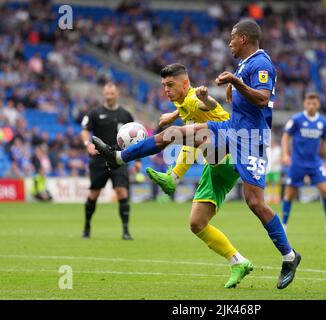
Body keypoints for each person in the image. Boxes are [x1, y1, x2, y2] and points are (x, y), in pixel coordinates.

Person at [93, 19, 301, 290]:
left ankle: (289, 256)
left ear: (245, 39)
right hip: (231, 130)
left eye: (232, 37)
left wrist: (235, 83)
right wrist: (233, 90)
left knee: (255, 203)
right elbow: (242, 103)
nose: (229, 42)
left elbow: (262, 99)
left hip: (251, 139)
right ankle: (119, 157)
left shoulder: (261, 63)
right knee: (180, 134)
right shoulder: (246, 64)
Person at [145, 63, 230, 195]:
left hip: (228, 151)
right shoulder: (181, 100)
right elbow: (186, 107)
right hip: (215, 155)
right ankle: (173, 178)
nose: (166, 89)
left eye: (170, 85)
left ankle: (173, 178)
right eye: (164, 85)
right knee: (199, 214)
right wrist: (173, 116)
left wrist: (206, 98)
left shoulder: (193, 98)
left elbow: (209, 105)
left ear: (184, 84)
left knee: (188, 134)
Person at [280, 93, 326, 235]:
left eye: (314, 103)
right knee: (290, 193)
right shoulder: (297, 119)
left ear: (318, 105)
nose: (311, 106)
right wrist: (285, 154)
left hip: (315, 163)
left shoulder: (323, 122)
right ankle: (283, 225)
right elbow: (286, 136)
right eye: (309, 103)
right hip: (297, 162)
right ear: (305, 104)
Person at [81, 82, 135, 240]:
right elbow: (84, 130)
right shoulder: (94, 113)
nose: (109, 96)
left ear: (117, 94)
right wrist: (87, 144)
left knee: (121, 191)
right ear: (104, 94)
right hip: (99, 159)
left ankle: (126, 231)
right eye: (107, 93)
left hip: (119, 158)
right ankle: (87, 226)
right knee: (94, 194)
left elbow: (136, 138)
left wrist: (137, 160)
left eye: (112, 93)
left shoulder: (126, 115)